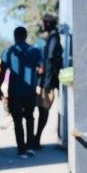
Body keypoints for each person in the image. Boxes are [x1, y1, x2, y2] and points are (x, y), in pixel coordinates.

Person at [0, 26, 43, 158]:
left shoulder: (9, 51)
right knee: (29, 118)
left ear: (15, 36)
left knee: (17, 121)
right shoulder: (35, 51)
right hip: (30, 90)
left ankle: (21, 149)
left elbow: (2, 72)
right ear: (26, 36)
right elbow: (41, 69)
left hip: (15, 91)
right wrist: (35, 78)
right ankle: (30, 147)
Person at [36, 14, 62, 149]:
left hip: (47, 81)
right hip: (47, 81)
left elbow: (51, 58)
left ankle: (36, 139)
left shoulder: (53, 38)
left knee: (43, 110)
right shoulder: (52, 38)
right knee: (43, 110)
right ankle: (36, 139)